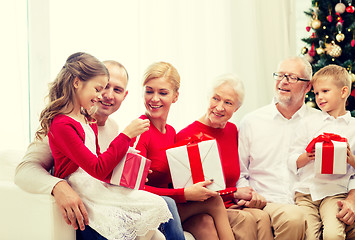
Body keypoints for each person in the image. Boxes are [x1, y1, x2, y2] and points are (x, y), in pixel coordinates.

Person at [15, 59, 187, 240]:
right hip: (85, 202)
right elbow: (24, 170)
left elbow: (103, 167)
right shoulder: (63, 124)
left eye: (117, 90)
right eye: (102, 87)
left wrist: (130, 171)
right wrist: (58, 186)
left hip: (103, 195)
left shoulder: (112, 128)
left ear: (125, 95)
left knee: (164, 206)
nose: (107, 95)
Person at [237, 56, 355, 240]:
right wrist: (249, 196)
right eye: (279, 75)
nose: (283, 81)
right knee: (295, 219)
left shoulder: (322, 120)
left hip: (319, 197)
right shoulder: (251, 122)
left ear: (307, 86)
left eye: (291, 77)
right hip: (272, 201)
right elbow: (240, 173)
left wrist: (351, 198)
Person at [130, 61, 234, 240]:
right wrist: (184, 194)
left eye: (162, 93)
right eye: (149, 91)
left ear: (175, 96)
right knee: (214, 201)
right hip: (148, 210)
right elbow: (133, 189)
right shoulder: (140, 130)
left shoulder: (171, 132)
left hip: (169, 205)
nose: (154, 98)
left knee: (205, 223)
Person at [176, 74, 273, 240]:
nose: (219, 107)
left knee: (262, 217)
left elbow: (238, 173)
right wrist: (234, 193)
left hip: (231, 205)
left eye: (228, 103)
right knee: (246, 220)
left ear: (236, 109)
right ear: (208, 99)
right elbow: (193, 192)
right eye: (216, 99)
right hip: (203, 207)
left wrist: (246, 195)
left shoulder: (232, 131)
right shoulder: (186, 136)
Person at [288, 64, 355, 239]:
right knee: (309, 235)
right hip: (306, 193)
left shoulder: (353, 127)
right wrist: (307, 156)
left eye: (325, 91)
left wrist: (350, 159)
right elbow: (291, 159)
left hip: (335, 193)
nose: (319, 97)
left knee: (333, 234)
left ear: (343, 92)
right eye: (316, 93)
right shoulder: (308, 122)